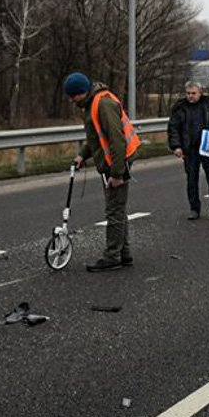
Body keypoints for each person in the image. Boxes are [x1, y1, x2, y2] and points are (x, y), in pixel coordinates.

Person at [64, 72, 141, 271]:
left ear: (82, 92)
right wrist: (82, 155)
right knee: (118, 209)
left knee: (114, 210)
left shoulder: (103, 104)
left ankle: (112, 257)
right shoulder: (92, 103)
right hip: (112, 162)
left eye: (74, 97)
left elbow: (116, 140)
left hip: (117, 163)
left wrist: (117, 174)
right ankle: (123, 254)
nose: (73, 101)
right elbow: (97, 137)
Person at [167, 80, 209, 221]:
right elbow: (173, 128)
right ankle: (194, 209)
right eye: (188, 93)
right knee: (191, 180)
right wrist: (176, 146)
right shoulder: (180, 108)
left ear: (200, 92)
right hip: (190, 150)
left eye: (193, 93)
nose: (191, 96)